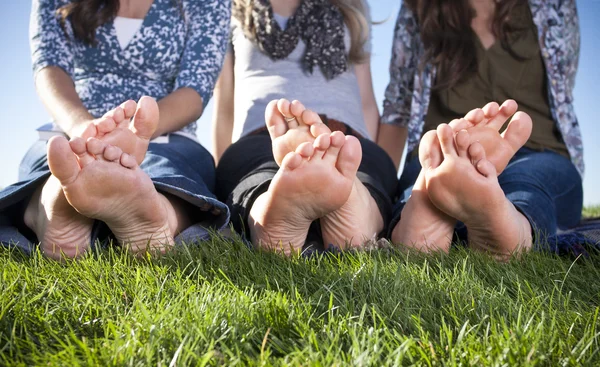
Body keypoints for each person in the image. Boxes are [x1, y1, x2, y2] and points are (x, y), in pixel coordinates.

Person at [0, 0, 231, 260]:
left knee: (166, 169)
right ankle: (62, 203)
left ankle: (50, 207)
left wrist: (138, 132)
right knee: (54, 161)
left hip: (166, 129)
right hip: (72, 127)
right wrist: (85, 128)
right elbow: (49, 69)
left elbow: (195, 90)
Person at [379, 0, 583, 257]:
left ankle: (497, 220)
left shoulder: (556, 4)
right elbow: (398, 107)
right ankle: (496, 220)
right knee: (434, 171)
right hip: (444, 148)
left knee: (529, 178)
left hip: (539, 149)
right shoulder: (418, 8)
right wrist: (382, 184)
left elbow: (563, 87)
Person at [212, 0, 398, 254]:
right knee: (255, 171)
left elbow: (366, 100)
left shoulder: (351, 8)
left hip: (344, 134)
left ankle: (348, 199)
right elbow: (225, 103)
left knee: (362, 169)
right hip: (264, 134)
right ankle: (279, 209)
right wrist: (221, 170)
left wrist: (373, 155)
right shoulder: (229, 12)